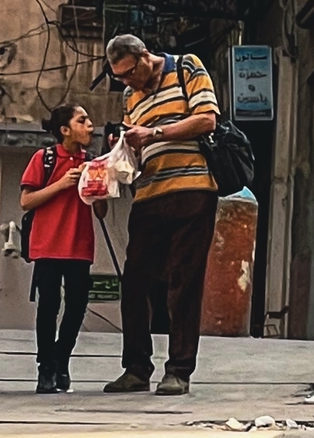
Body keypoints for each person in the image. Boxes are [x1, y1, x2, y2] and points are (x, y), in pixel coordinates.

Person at [103, 34, 219, 396]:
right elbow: (136, 145)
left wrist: (153, 132)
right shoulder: (129, 97)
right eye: (118, 76)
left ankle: (179, 370)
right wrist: (122, 147)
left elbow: (206, 121)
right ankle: (136, 367)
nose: (125, 81)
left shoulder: (187, 66)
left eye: (127, 73)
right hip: (149, 193)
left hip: (192, 189)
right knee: (135, 279)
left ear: (144, 57)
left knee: (184, 281)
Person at [20, 104, 107, 394]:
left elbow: (102, 211)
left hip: (79, 245)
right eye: (82, 121)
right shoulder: (43, 159)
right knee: (48, 307)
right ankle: (46, 366)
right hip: (47, 244)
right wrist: (61, 184)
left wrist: (96, 183)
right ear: (65, 130)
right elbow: (26, 201)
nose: (90, 125)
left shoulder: (93, 162)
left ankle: (61, 359)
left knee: (77, 307)